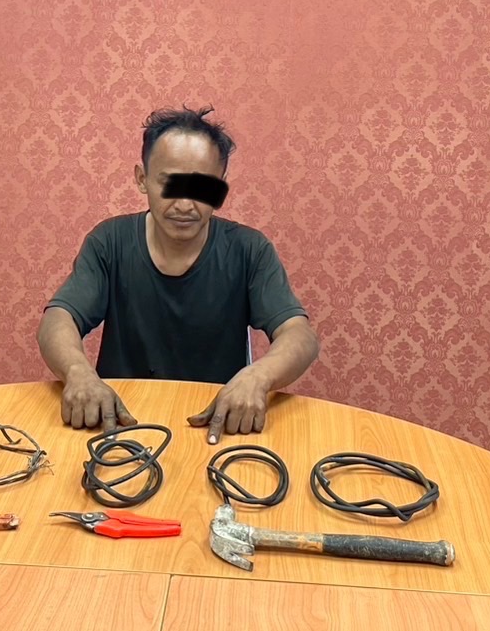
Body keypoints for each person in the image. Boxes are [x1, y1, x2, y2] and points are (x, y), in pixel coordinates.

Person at [37, 106, 319, 444]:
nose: (185, 204)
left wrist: (259, 377)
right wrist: (77, 371)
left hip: (217, 426)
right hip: (120, 425)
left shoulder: (249, 249)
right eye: (170, 183)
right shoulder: (109, 241)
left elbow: (299, 335)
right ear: (142, 179)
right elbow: (59, 317)